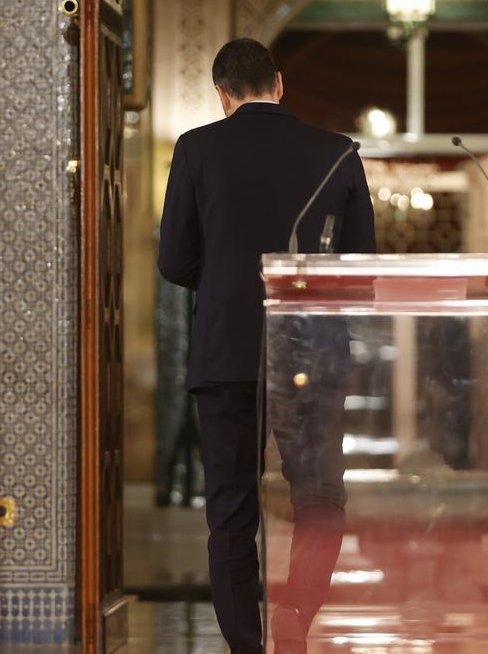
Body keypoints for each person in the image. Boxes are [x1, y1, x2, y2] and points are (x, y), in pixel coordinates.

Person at [157, 37, 377, 654]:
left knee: (229, 511)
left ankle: (245, 648)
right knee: (321, 499)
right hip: (312, 355)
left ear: (221, 94)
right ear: (280, 84)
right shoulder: (338, 154)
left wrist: (226, 275)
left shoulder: (196, 148)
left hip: (226, 353)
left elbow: (174, 260)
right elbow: (360, 267)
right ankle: (295, 616)